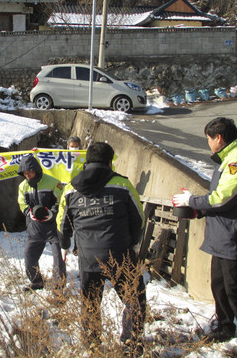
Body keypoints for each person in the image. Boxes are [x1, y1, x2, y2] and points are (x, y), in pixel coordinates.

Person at [172, 117, 237, 341]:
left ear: (218, 138)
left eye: (209, 139)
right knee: (220, 287)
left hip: (234, 237)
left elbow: (221, 199)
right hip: (221, 236)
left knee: (234, 290)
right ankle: (225, 327)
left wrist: (193, 201)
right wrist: (198, 210)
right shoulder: (228, 159)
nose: (208, 143)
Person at [57, 142, 146, 353]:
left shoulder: (70, 188)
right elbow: (139, 218)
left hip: (88, 259)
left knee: (90, 305)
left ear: (86, 162)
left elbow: (62, 223)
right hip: (120, 255)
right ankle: (131, 344)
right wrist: (130, 242)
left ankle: (92, 344)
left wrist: (65, 244)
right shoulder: (122, 185)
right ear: (109, 162)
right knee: (134, 299)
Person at [17, 154, 66, 291]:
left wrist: (52, 212)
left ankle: (59, 287)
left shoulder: (53, 182)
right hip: (35, 228)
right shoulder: (23, 186)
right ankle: (36, 282)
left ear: (36, 170)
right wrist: (29, 212)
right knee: (29, 256)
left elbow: (62, 200)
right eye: (25, 174)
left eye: (29, 172)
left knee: (59, 260)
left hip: (54, 227)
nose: (27, 176)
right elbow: (21, 202)